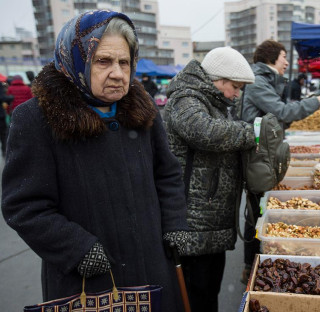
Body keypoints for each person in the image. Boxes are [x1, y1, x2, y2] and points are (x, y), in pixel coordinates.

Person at [1, 10, 189, 312]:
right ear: (76, 59)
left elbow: (166, 174)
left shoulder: (142, 110)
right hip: (90, 284)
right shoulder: (36, 119)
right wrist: (78, 249)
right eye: (103, 61)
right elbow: (24, 205)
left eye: (124, 62)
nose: (118, 73)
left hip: (152, 267)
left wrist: (175, 221)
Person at [163, 46, 256, 312]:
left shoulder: (217, 103)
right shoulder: (186, 98)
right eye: (235, 87)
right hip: (192, 222)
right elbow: (204, 131)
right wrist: (252, 132)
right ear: (218, 80)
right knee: (196, 296)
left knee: (208, 292)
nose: (237, 94)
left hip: (211, 221)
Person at [240, 39, 320, 283]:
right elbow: (281, 112)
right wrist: (315, 102)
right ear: (272, 58)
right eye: (284, 57)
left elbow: (278, 116)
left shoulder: (265, 81)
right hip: (257, 158)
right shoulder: (257, 82)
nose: (286, 63)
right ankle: (251, 268)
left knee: (259, 209)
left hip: (264, 155)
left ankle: (257, 264)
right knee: (255, 210)